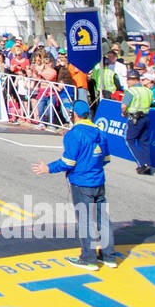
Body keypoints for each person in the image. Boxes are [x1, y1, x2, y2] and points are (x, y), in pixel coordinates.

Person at [32, 99, 119, 271]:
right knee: (103, 219)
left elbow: (68, 162)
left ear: (75, 115)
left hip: (81, 182)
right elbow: (106, 159)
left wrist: (47, 168)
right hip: (98, 181)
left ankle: (88, 258)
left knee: (85, 221)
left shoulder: (74, 134)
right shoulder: (100, 133)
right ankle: (109, 256)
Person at [121, 70, 155, 176]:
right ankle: (147, 164)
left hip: (135, 118)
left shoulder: (131, 91)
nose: (127, 82)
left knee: (128, 140)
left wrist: (123, 113)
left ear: (133, 80)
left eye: (128, 79)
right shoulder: (148, 91)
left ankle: (141, 165)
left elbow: (124, 106)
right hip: (145, 117)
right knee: (143, 141)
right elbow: (151, 102)